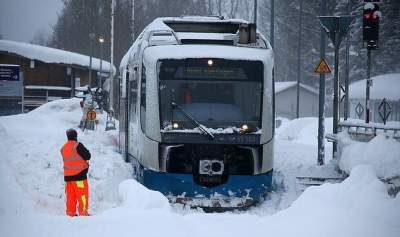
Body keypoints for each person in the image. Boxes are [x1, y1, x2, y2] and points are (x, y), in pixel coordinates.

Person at [60, 128, 91, 216]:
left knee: (70, 197)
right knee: (82, 196)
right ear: (75, 136)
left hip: (68, 178)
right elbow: (88, 156)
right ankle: (83, 212)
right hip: (79, 176)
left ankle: (70, 213)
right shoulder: (77, 145)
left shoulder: (63, 148)